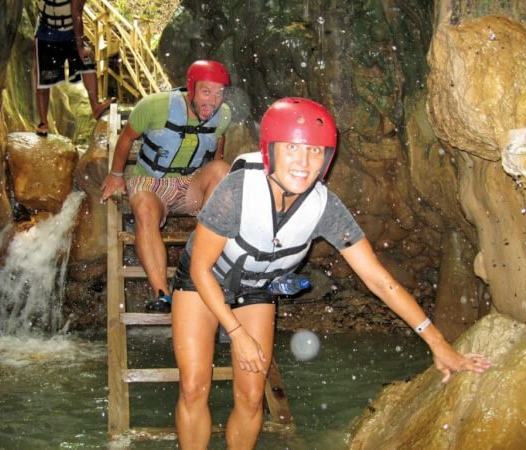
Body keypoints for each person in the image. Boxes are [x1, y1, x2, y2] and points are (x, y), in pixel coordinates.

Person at [171, 97, 491, 449]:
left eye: (314, 151)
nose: (303, 162)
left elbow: (378, 280)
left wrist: (440, 345)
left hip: (256, 288)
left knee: (250, 395)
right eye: (292, 148)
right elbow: (201, 268)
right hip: (203, 280)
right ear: (270, 150)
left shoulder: (326, 208)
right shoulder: (238, 191)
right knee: (194, 385)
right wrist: (236, 332)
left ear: (327, 157)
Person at [100, 60, 232, 313]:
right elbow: (127, 137)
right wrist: (116, 174)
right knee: (144, 208)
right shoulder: (154, 106)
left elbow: (218, 148)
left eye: (219, 94)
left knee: (223, 171)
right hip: (149, 182)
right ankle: (162, 293)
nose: (212, 101)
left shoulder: (223, 114)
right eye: (206, 92)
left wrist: (217, 189)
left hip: (188, 185)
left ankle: (205, 266)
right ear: (191, 89)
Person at [34, 0, 112, 136]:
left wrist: (80, 46)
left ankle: (95, 106)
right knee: (43, 78)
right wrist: (80, 47)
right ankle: (43, 123)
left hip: (70, 32)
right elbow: (77, 14)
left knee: (86, 61)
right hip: (47, 32)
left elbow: (77, 14)